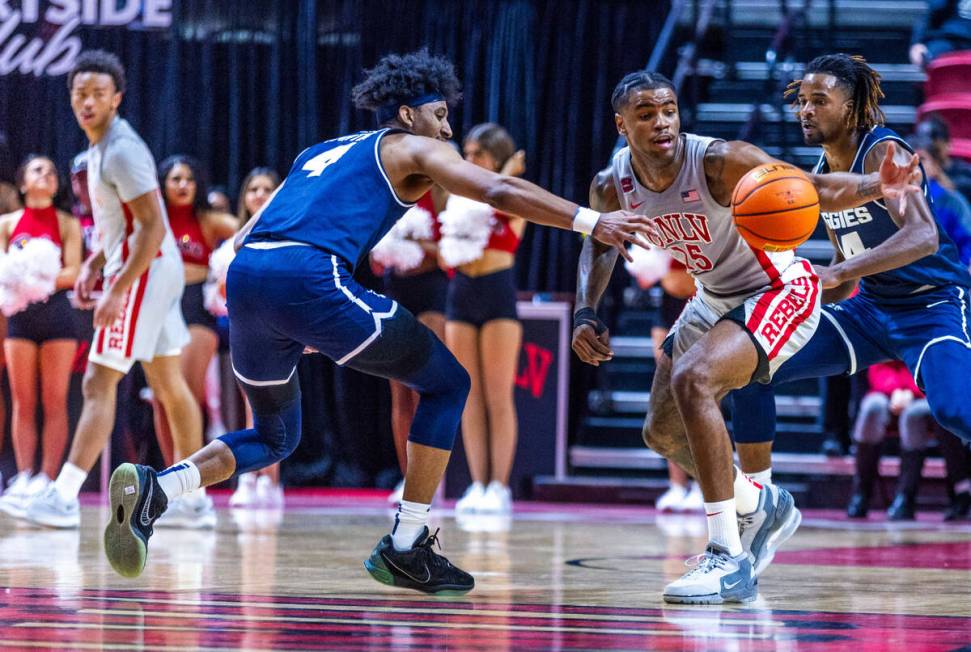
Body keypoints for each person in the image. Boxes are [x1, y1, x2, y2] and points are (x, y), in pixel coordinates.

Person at [101, 49, 648, 591]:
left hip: (248, 276)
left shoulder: (320, 150)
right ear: (409, 114)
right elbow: (497, 190)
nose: (448, 126)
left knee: (275, 436)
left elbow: (248, 235)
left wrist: (296, 317)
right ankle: (407, 544)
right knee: (449, 383)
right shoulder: (410, 147)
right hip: (306, 274)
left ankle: (158, 491)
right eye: (440, 114)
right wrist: (591, 221)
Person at [572, 68, 918, 604]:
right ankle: (759, 503)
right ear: (622, 125)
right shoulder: (610, 184)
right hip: (713, 296)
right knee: (660, 433)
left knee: (695, 379)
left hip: (778, 286)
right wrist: (585, 311)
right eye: (646, 115)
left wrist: (879, 184)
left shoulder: (718, 160)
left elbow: (813, 190)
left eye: (668, 110)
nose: (662, 122)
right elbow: (599, 240)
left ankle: (728, 557)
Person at [731, 54, 971, 515]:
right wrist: (804, 291)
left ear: (852, 108)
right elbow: (846, 260)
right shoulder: (823, 170)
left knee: (956, 411)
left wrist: (839, 273)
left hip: (930, 306)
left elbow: (922, 236)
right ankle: (757, 509)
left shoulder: (887, 152)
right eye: (802, 100)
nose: (805, 110)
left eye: (819, 101)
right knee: (749, 364)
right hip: (870, 310)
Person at [21, 50, 202, 529]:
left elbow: (151, 227)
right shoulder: (98, 149)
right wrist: (97, 261)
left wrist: (118, 287)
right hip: (153, 269)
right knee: (167, 384)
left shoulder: (121, 149)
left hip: (144, 270)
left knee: (98, 381)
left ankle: (62, 497)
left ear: (117, 98)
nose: (88, 100)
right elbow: (125, 224)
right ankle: (196, 498)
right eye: (81, 92)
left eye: (99, 93)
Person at [151, 155, 237, 526]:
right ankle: (173, 487)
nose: (182, 185)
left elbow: (249, 230)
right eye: (175, 179)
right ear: (163, 184)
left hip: (196, 312)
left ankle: (193, 490)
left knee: (185, 393)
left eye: (188, 178)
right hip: (158, 309)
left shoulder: (209, 220)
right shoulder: (152, 221)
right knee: (160, 399)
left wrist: (216, 272)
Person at [448, 123, 526, 516]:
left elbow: (510, 231)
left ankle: (500, 485)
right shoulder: (458, 195)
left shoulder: (513, 194)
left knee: (498, 396)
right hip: (461, 293)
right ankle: (477, 484)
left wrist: (507, 177)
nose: (470, 160)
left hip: (498, 291)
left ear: (496, 157)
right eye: (467, 152)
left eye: (478, 153)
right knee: (470, 397)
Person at [0, 155, 81, 517]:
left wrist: (39, 276)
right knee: (22, 399)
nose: (47, 174)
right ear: (22, 182)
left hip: (57, 316)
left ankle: (48, 479)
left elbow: (75, 270)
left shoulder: (67, 222)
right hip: (19, 316)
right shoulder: (7, 223)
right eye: (38, 169)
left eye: (52, 170)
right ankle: (23, 476)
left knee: (55, 399)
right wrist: (19, 277)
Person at [376, 182, 448, 507]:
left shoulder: (443, 193)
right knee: (399, 395)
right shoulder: (390, 193)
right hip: (396, 291)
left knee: (425, 390)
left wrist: (420, 243)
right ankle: (407, 482)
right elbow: (376, 264)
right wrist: (385, 248)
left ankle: (431, 480)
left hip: (432, 292)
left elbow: (451, 256)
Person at [228, 167, 285, 508]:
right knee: (248, 403)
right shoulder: (233, 234)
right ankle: (249, 476)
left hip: (276, 325)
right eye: (253, 189)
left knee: (273, 405)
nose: (260, 195)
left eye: (267, 189)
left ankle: (271, 480)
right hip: (244, 325)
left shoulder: (285, 230)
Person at [846, 361, 937, 520]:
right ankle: (861, 493)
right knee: (872, 408)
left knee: (913, 415)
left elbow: (930, 365)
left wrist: (912, 392)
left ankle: (905, 497)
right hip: (886, 390)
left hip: (922, 392)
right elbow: (877, 364)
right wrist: (894, 390)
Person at [910, 0, 971, 68]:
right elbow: (935, 8)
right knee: (932, 59)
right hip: (947, 40)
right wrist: (918, 43)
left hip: (958, 41)